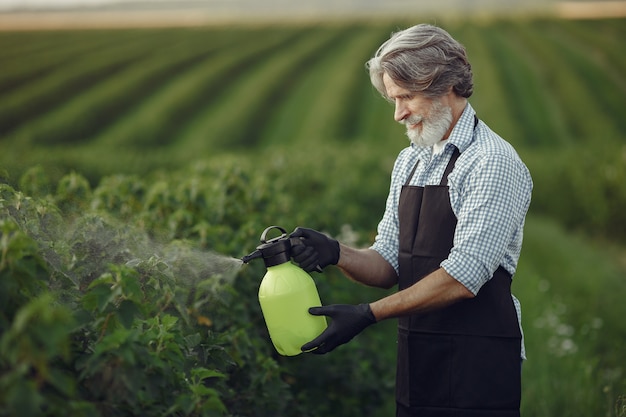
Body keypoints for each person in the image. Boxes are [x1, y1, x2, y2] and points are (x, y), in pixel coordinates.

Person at [289, 24, 533, 417]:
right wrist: (335, 252)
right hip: (420, 363)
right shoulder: (411, 161)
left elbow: (463, 276)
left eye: (407, 97)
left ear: (447, 85)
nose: (399, 113)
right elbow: (389, 262)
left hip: (477, 369)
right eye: (393, 100)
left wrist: (367, 314)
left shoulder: (491, 161)